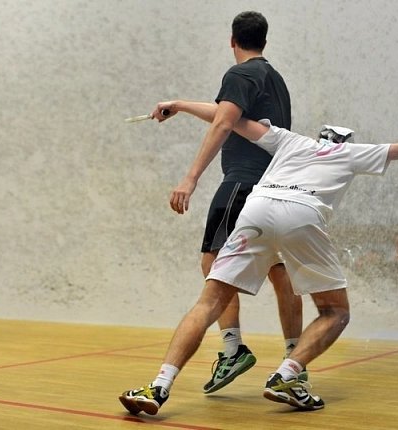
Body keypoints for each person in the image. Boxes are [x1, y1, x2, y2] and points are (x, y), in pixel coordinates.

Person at [119, 101, 398, 415]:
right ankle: (288, 373)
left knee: (210, 302)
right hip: (301, 215)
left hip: (256, 210)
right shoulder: (352, 152)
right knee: (335, 311)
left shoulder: (291, 141)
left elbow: (229, 117)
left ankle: (158, 386)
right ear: (344, 141)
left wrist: (180, 105)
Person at [152, 11, 304, 393]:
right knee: (279, 272)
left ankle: (232, 349)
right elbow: (229, 116)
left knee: (213, 265)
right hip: (279, 191)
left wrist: (190, 178)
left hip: (242, 185)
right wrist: (182, 104)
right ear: (263, 41)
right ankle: (294, 362)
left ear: (232, 40)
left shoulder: (239, 75)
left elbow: (223, 123)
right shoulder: (273, 79)